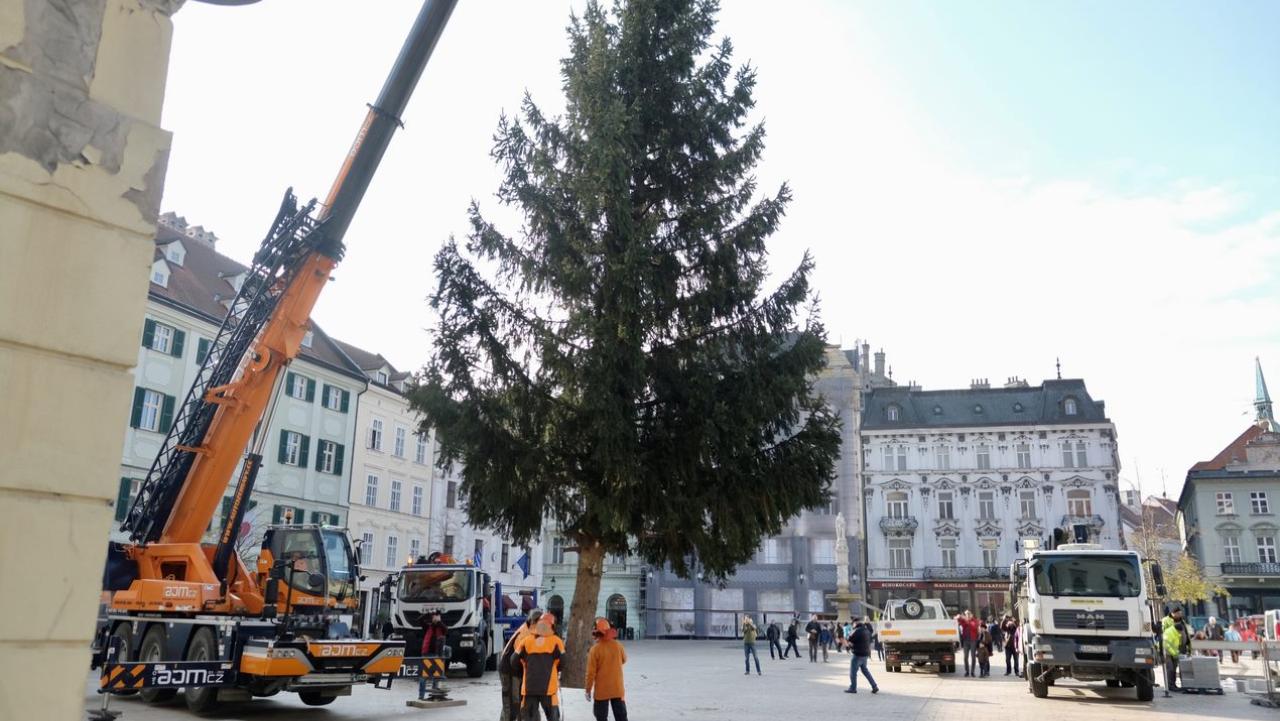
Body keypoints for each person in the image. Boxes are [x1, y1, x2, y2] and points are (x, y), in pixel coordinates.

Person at [516, 614, 565, 721]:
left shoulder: (526, 641)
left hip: (529, 689)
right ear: (552, 626)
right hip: (549, 690)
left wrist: (524, 669)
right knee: (553, 717)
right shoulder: (556, 641)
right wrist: (556, 669)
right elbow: (563, 661)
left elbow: (513, 660)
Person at [499, 609, 543, 721]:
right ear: (534, 622)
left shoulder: (532, 631)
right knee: (512, 705)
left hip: (519, 670)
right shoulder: (525, 635)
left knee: (522, 703)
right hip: (510, 670)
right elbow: (521, 659)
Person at [586, 617, 628, 721]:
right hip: (617, 688)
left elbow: (591, 673)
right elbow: (624, 660)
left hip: (601, 691)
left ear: (596, 633)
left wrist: (588, 689)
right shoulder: (618, 645)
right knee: (621, 717)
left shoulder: (595, 650)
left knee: (601, 717)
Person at [418, 611, 450, 701]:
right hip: (426, 654)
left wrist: (439, 622)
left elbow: (446, 630)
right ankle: (421, 696)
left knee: (437, 676)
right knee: (423, 676)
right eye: (434, 617)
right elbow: (420, 620)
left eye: (437, 616)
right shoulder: (428, 627)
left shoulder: (442, 628)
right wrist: (427, 614)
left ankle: (434, 695)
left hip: (437, 655)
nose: (435, 618)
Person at [844, 618, 879, 694]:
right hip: (865, 655)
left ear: (855, 623)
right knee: (865, 671)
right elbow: (870, 640)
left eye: (852, 624)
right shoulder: (866, 630)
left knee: (853, 672)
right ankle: (874, 686)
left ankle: (853, 688)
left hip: (858, 654)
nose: (852, 626)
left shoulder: (856, 631)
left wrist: (849, 640)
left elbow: (849, 638)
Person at [1162, 607, 1185, 692]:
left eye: (1180, 613)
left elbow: (1177, 642)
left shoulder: (1181, 623)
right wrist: (1174, 653)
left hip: (1174, 651)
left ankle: (1173, 684)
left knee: (1174, 668)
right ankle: (1170, 685)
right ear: (1173, 613)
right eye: (1178, 613)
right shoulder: (1167, 624)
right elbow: (1167, 644)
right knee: (1170, 669)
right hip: (1168, 652)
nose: (1180, 615)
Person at [957, 610, 980, 677]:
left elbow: (974, 627)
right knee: (965, 657)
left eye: (969, 614)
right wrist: (959, 617)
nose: (967, 615)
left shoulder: (975, 621)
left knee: (973, 657)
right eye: (966, 614)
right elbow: (959, 621)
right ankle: (967, 671)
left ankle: (972, 672)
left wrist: (967, 620)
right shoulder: (964, 621)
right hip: (965, 641)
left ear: (971, 614)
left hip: (973, 640)